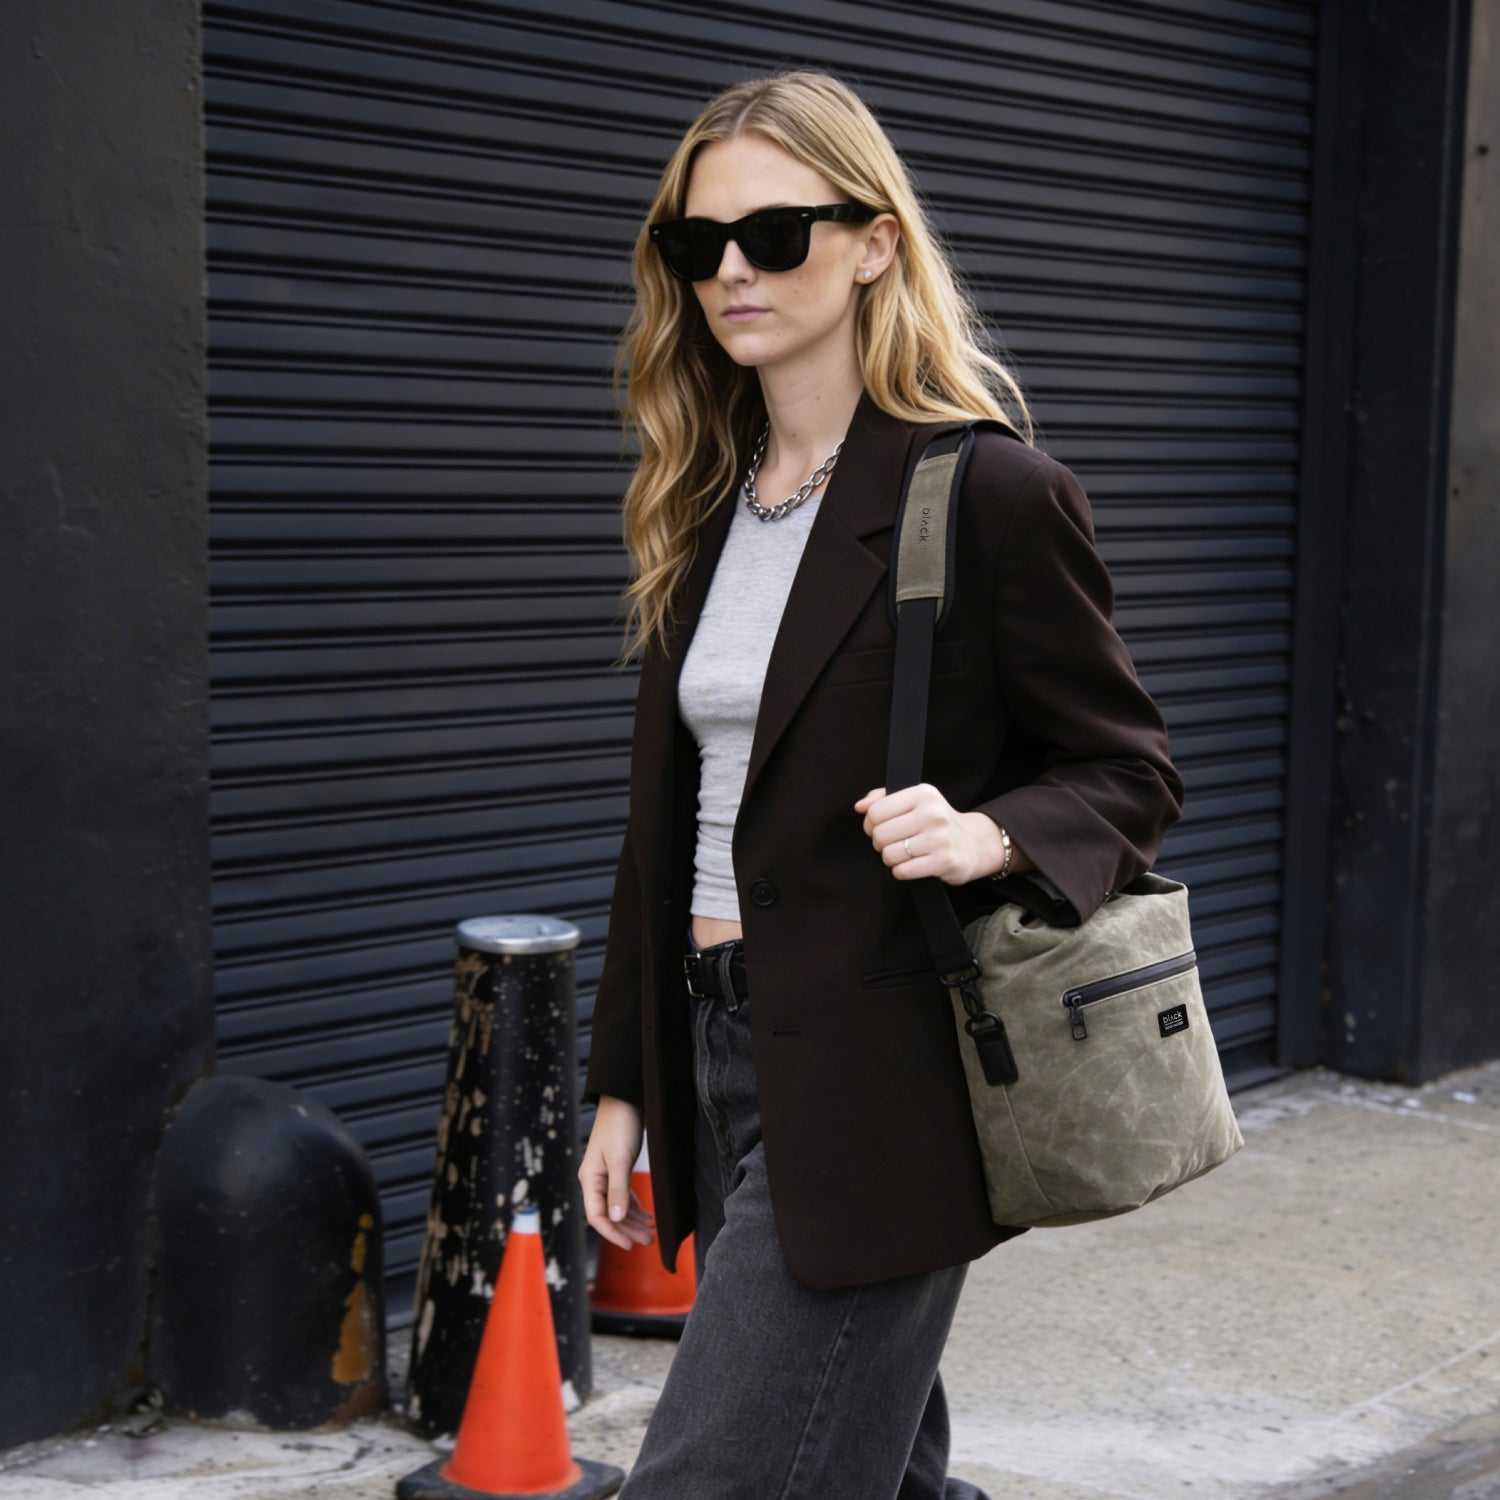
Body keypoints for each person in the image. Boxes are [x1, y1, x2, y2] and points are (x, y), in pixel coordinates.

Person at [576, 68, 1185, 1500]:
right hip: (719, 1050)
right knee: (869, 1467)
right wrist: (624, 1085)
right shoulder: (704, 501)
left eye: (775, 233)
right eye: (698, 242)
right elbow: (669, 832)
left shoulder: (989, 495)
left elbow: (1128, 766)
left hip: (878, 1076)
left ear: (872, 244)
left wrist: (990, 835)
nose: (732, 271)